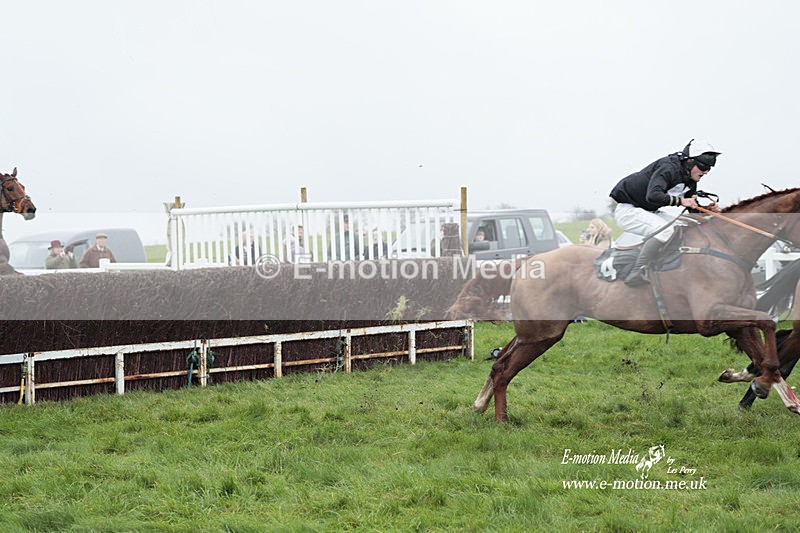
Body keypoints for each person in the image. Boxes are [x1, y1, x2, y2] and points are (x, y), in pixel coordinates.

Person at [609, 139, 722, 286]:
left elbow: (692, 208)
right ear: (689, 162)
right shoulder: (668, 167)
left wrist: (707, 211)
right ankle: (636, 273)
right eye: (703, 166)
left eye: (709, 168)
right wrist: (680, 201)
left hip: (648, 211)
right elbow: (653, 195)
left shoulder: (690, 180)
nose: (706, 172)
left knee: (687, 224)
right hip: (628, 211)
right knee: (666, 231)